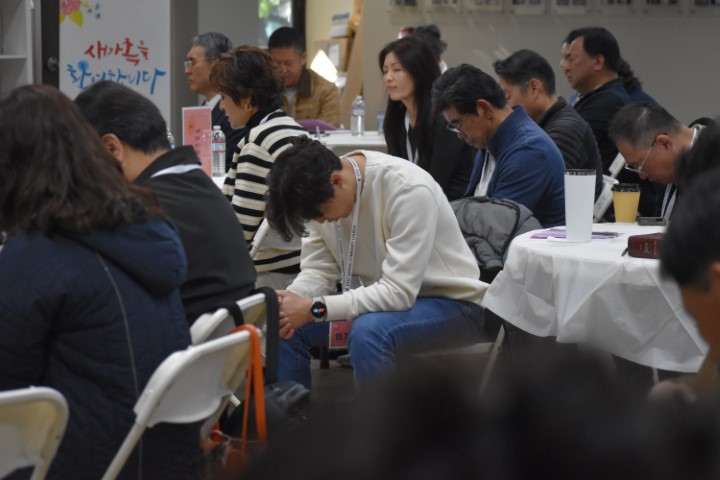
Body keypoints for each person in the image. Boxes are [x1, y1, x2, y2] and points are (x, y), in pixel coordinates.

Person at [0, 85, 200, 479]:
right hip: (165, 459)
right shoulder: (147, 225)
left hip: (86, 461)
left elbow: (8, 386)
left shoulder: (37, 252)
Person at [264, 137, 487, 388]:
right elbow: (318, 271)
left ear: (336, 181)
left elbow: (398, 292)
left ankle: (376, 414)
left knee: (368, 332)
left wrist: (313, 308)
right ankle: (291, 412)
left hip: (453, 305)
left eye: (321, 213)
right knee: (284, 326)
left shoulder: (407, 188)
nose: (321, 221)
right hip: (380, 303)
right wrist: (293, 301)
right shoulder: (317, 190)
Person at [75, 80, 257, 323]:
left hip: (183, 339)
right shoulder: (199, 184)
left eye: (83, 160)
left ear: (111, 149)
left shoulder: (142, 210)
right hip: (232, 338)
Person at [210, 45, 307, 290]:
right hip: (301, 267)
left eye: (223, 97)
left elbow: (238, 231)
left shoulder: (257, 143)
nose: (221, 107)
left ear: (246, 99)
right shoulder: (295, 130)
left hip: (266, 277)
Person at [432, 64, 565, 228]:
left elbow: (495, 227)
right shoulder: (487, 144)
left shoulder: (529, 150)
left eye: (458, 124)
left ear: (484, 109)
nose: (459, 135)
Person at [560, 26, 656, 217]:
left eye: (571, 58)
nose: (564, 65)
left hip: (615, 212)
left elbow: (566, 153)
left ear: (598, 61)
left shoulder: (608, 102)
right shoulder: (590, 98)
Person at [493, 49, 603, 200]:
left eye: (507, 97)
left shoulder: (565, 131)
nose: (505, 107)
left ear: (534, 88)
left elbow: (531, 189)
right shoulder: (543, 124)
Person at [379, 36, 474, 200]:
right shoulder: (398, 119)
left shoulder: (445, 117)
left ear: (420, 71)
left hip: (452, 205)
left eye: (397, 69)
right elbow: (396, 175)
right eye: (385, 70)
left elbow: (437, 181)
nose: (388, 77)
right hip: (419, 201)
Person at [608, 102, 710, 221]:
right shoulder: (669, 175)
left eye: (639, 165)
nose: (642, 176)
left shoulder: (713, 171)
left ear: (664, 143)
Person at [185, 32, 242, 169]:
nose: (187, 70)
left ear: (216, 64)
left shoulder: (235, 111)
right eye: (187, 63)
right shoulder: (203, 110)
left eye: (192, 62)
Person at [268, 26, 340, 127]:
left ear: (303, 58)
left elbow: (330, 130)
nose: (283, 70)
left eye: (288, 63)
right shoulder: (262, 90)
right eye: (276, 63)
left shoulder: (325, 91)